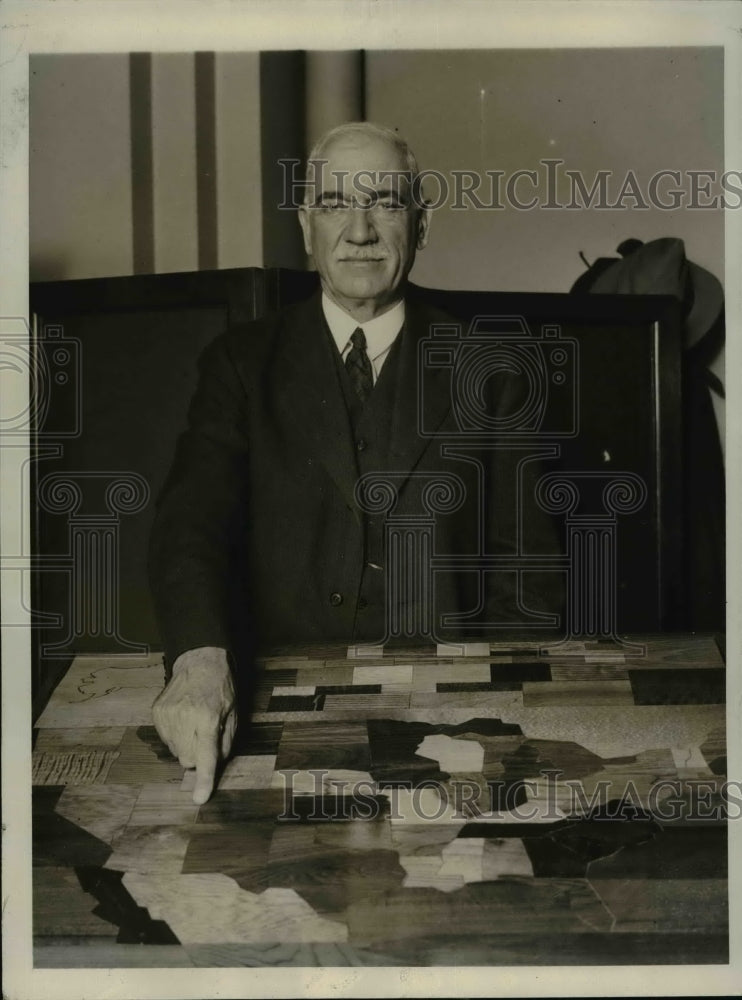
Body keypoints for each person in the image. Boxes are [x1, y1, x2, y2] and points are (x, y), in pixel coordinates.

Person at [149, 122, 562, 804]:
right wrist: (198, 657)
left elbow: (530, 576)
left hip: (446, 725)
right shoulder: (241, 363)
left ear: (421, 224)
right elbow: (190, 523)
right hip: (267, 714)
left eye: (386, 203)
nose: (360, 230)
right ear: (307, 224)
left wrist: (494, 717)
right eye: (337, 203)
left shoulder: (492, 366)